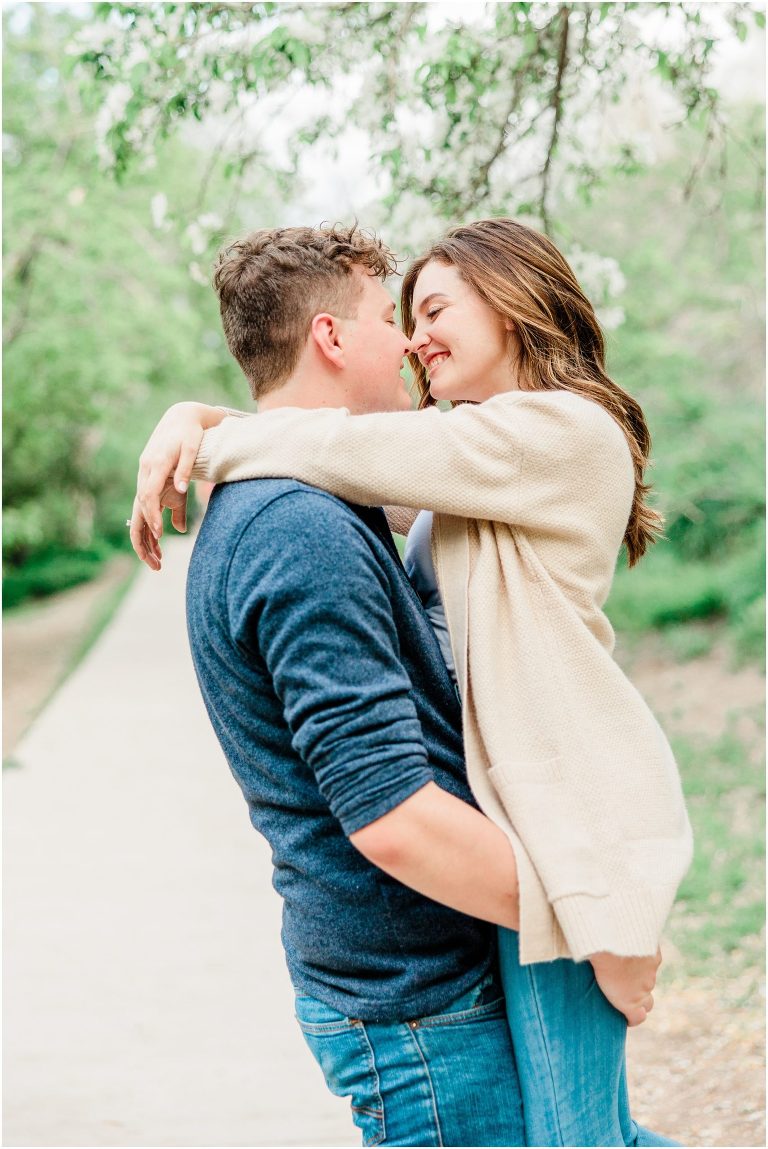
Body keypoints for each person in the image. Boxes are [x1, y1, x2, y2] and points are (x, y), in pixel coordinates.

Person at [132, 220, 692, 1147]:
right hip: (527, 855)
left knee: (585, 1141)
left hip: (574, 834)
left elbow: (342, 454)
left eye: (434, 309)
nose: (414, 336)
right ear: (333, 336)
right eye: (401, 315)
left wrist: (200, 430)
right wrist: (197, 419)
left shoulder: (565, 431)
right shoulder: (457, 462)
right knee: (592, 1141)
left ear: (512, 302)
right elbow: (339, 463)